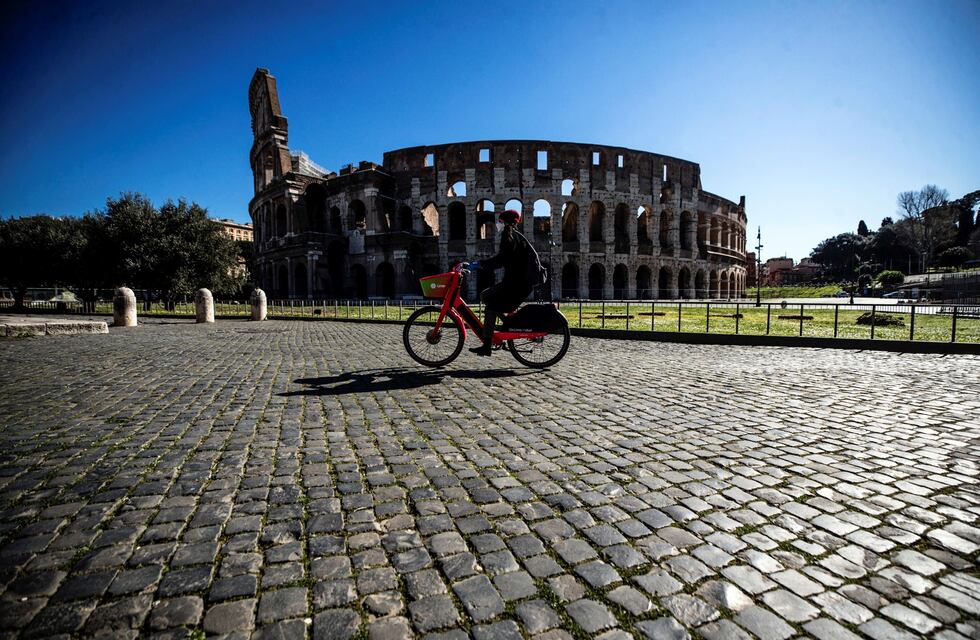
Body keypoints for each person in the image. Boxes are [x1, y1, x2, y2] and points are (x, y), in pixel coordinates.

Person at [466, 209, 533, 356]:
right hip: (518, 284)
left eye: (500, 221)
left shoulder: (508, 236)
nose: (498, 224)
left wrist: (479, 264)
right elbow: (504, 260)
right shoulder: (517, 236)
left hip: (515, 285)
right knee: (487, 297)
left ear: (505, 222)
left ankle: (487, 345)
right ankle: (503, 326)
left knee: (488, 300)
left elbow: (501, 260)